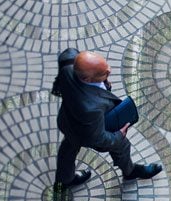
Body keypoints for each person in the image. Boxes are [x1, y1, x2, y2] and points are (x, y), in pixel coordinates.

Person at [52, 48, 161, 188]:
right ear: (87, 79)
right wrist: (118, 135)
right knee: (121, 145)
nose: (109, 71)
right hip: (86, 129)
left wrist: (103, 79)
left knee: (68, 147)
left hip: (67, 121)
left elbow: (68, 55)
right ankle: (130, 171)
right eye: (104, 73)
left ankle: (64, 180)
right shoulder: (90, 109)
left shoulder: (68, 63)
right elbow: (98, 138)